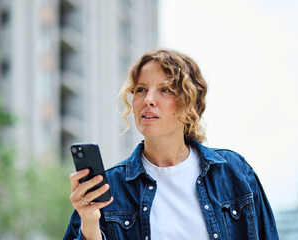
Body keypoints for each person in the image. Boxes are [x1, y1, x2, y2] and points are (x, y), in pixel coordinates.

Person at [63, 49, 279, 240]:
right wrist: (90, 224)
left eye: (164, 90)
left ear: (190, 103)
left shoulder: (234, 171)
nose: (148, 99)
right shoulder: (109, 188)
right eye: (140, 89)